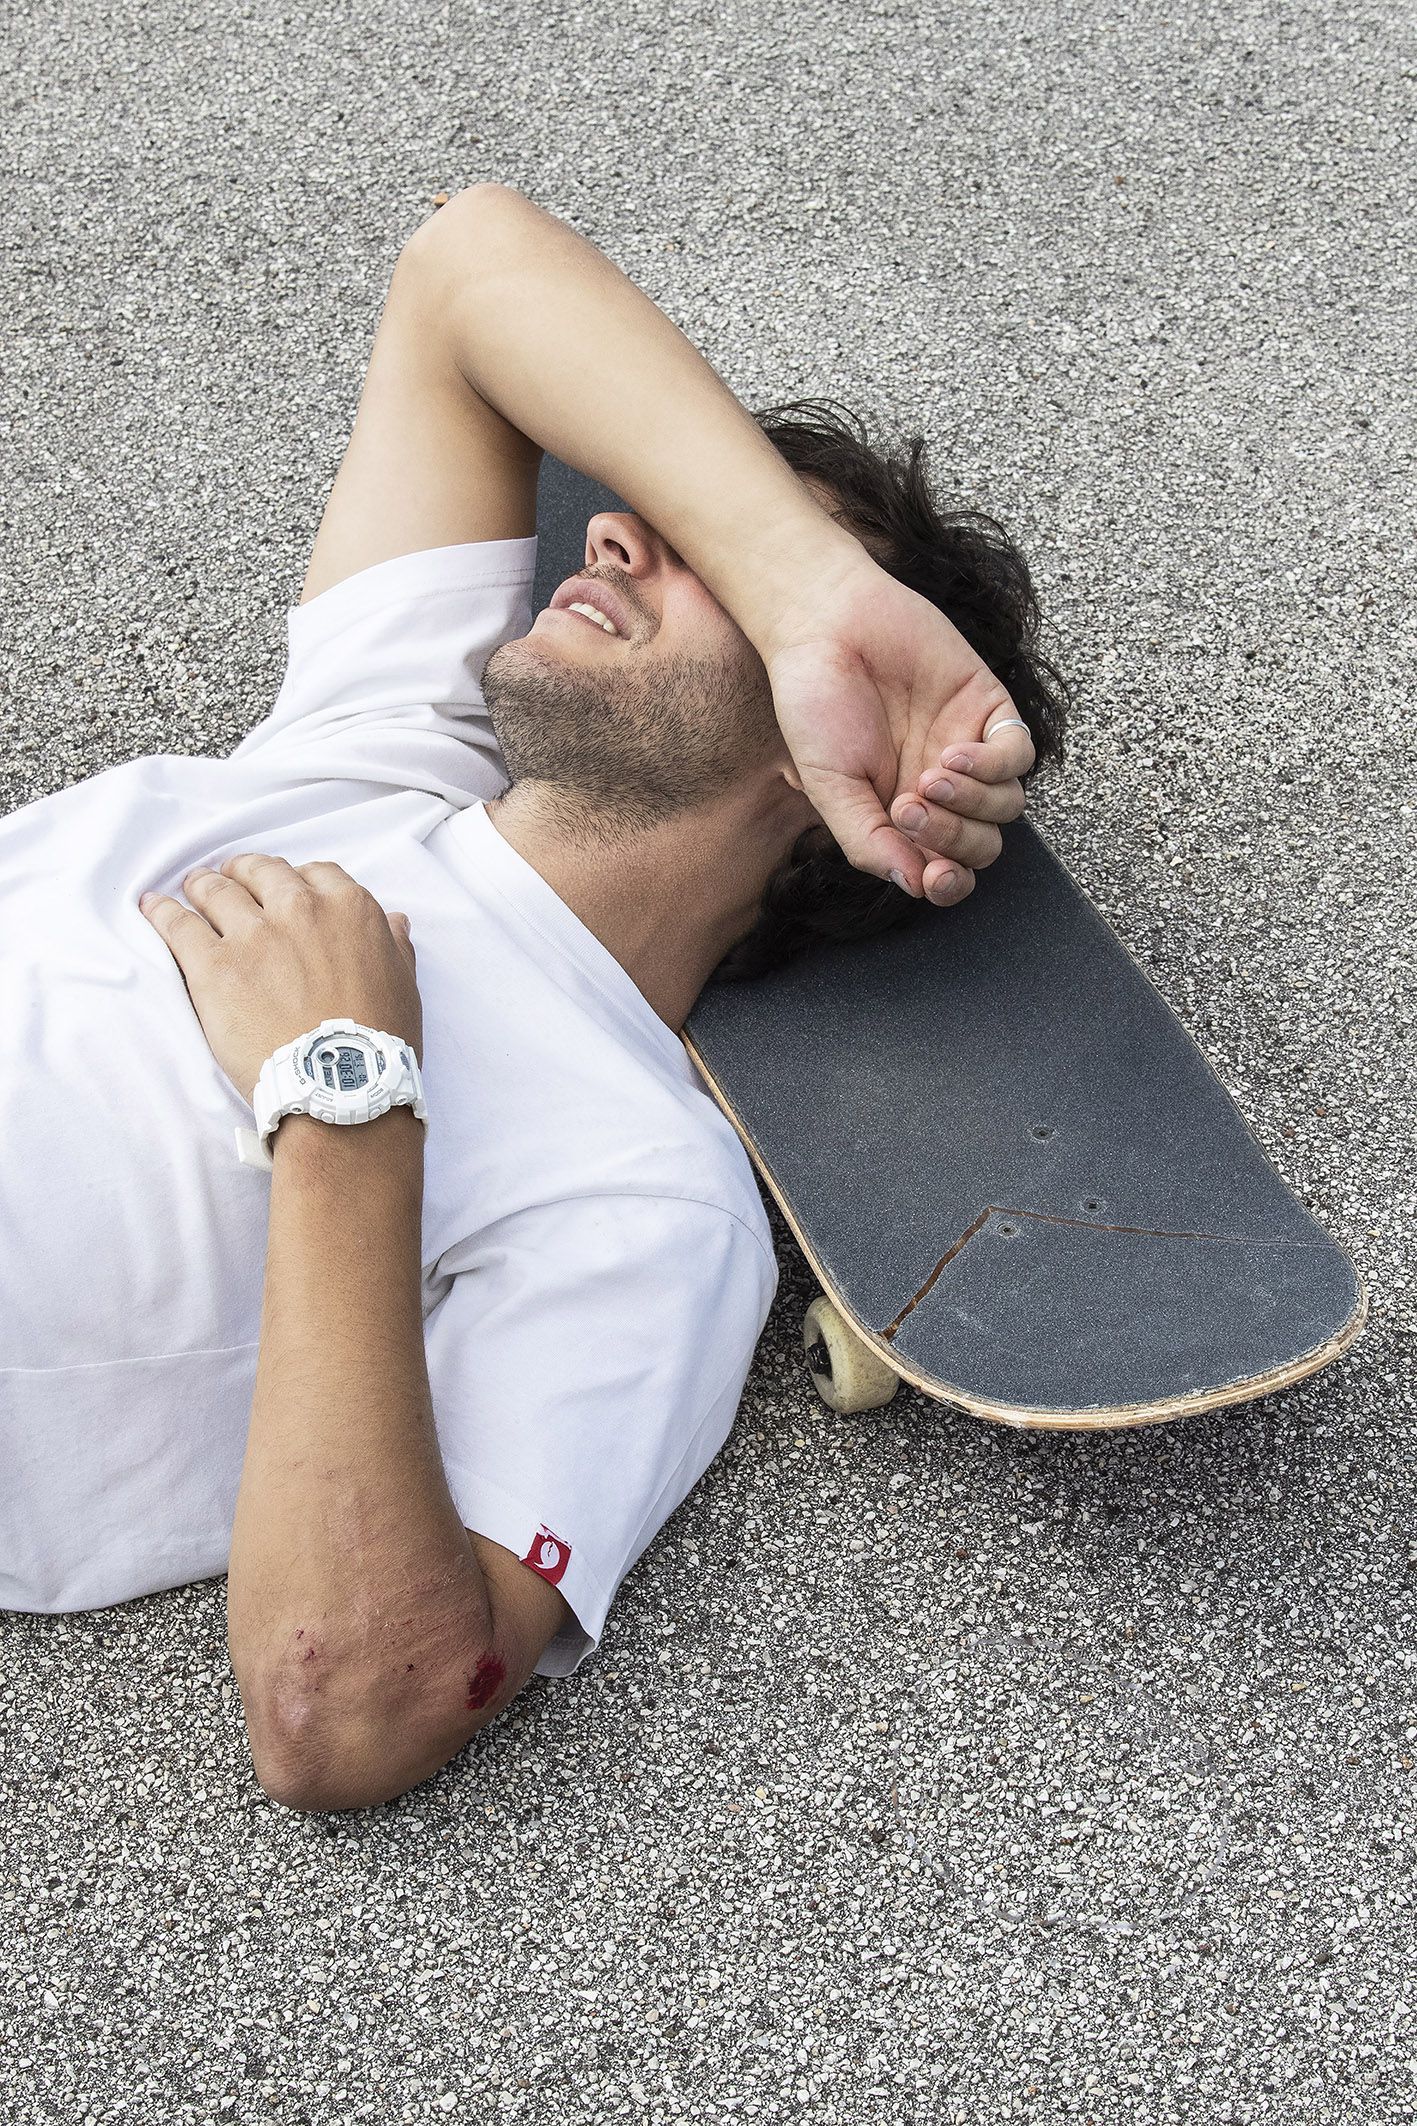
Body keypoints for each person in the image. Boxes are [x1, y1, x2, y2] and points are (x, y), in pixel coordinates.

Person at [0, 185, 1068, 1810]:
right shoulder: (385, 748)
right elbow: (467, 263)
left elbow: (353, 1711)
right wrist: (801, 586)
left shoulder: (644, 1197)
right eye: (692, 519)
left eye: (705, 557)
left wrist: (341, 1091)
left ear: (829, 763)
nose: (614, 532)